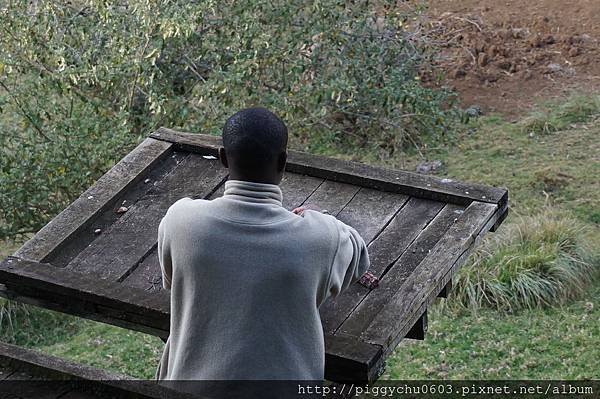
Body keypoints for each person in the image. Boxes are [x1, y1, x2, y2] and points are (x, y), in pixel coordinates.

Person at [154, 107, 370, 390]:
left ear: (222, 158)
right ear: (283, 162)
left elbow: (171, 282)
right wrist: (320, 216)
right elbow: (360, 256)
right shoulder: (322, 238)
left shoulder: (180, 220)